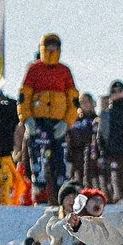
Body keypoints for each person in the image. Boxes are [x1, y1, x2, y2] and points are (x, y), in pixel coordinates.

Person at [19, 34, 80, 204]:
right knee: (38, 160)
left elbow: (73, 99)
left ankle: (63, 199)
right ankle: (39, 196)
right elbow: (24, 97)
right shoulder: (34, 69)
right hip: (38, 122)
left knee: (60, 162)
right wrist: (27, 119)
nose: (52, 50)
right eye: (49, 46)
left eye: (55, 46)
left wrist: (67, 122)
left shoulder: (64, 71)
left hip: (58, 124)